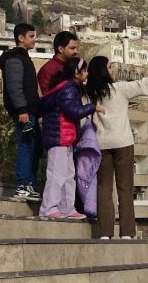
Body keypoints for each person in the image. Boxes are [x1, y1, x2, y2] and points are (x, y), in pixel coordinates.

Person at [85, 56, 148, 239]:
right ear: (104, 70)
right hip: (123, 144)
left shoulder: (89, 94)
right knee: (125, 188)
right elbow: (145, 85)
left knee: (104, 189)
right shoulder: (119, 89)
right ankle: (127, 233)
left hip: (101, 144)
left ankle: (105, 233)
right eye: (109, 67)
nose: (112, 70)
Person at [39, 57, 104, 218]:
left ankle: (67, 208)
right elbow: (72, 111)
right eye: (84, 70)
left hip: (66, 138)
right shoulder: (68, 88)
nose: (87, 73)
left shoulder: (70, 87)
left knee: (68, 175)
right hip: (59, 137)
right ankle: (48, 208)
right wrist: (92, 107)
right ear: (76, 72)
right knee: (56, 174)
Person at [0, 23, 42, 201]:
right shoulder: (15, 59)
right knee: (26, 146)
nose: (34, 39)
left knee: (34, 147)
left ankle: (29, 184)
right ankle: (23, 185)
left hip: (30, 110)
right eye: (31, 36)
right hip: (24, 112)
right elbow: (15, 87)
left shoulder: (24, 58)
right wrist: (22, 110)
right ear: (21, 38)